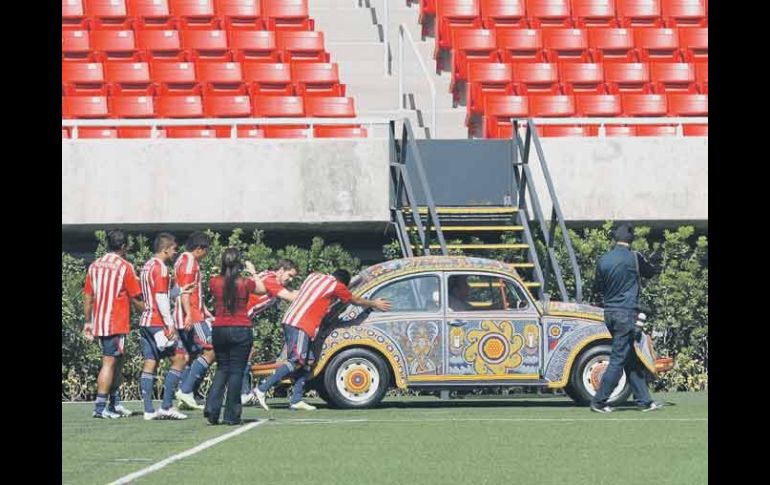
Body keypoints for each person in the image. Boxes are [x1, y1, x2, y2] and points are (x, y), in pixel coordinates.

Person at [250, 269, 391, 411]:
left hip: (293, 321)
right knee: (297, 361)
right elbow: (356, 300)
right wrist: (374, 303)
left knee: (309, 361)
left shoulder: (314, 276)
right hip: (300, 324)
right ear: (344, 283)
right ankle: (262, 389)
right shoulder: (337, 286)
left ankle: (296, 399)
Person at [590, 224, 663, 413]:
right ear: (631, 240)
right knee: (618, 359)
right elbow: (650, 272)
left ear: (615, 239)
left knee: (630, 357)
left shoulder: (603, 259)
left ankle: (644, 401)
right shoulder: (634, 257)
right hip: (626, 314)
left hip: (610, 314)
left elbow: (597, 287)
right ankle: (599, 401)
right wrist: (656, 261)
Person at [83, 229, 144, 419]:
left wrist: (88, 322)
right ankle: (100, 407)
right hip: (115, 321)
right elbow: (136, 296)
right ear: (124, 246)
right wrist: (148, 311)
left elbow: (88, 296)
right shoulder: (125, 267)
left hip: (101, 321)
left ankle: (114, 403)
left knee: (117, 361)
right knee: (109, 362)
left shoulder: (94, 265)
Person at [205, 248, 267, 425]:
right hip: (241, 328)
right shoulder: (245, 282)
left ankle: (212, 408)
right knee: (236, 372)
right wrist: (253, 271)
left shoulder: (214, 282)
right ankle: (232, 415)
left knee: (222, 368)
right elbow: (262, 289)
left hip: (219, 329)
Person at [138, 233, 189, 420]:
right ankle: (167, 406)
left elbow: (159, 292)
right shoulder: (161, 268)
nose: (175, 252)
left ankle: (148, 410)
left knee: (150, 362)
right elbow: (160, 297)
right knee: (180, 358)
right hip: (157, 322)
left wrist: (180, 290)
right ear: (165, 249)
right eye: (174, 249)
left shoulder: (147, 266)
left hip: (145, 321)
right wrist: (170, 324)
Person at [240, 259, 300, 405]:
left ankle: (244, 393)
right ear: (280, 270)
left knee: (244, 355)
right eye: (289, 275)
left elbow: (295, 292)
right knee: (241, 355)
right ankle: (242, 394)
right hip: (239, 319)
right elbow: (291, 297)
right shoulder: (271, 280)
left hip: (243, 319)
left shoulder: (274, 280)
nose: (290, 280)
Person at [174, 232, 215, 411]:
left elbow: (194, 292)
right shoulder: (190, 263)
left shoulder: (181, 260)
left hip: (193, 313)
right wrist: (190, 314)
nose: (206, 255)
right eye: (206, 251)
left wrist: (206, 311)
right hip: (192, 316)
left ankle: (187, 394)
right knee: (211, 350)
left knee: (191, 356)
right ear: (199, 249)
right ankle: (186, 390)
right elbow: (185, 291)